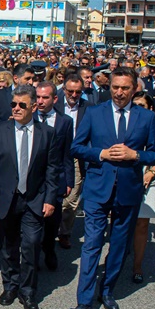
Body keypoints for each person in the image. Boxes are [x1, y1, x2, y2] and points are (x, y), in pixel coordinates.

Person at [68, 67, 155, 309]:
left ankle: (107, 290)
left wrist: (136, 155)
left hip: (129, 190)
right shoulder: (95, 113)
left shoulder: (146, 118)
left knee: (119, 245)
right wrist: (101, 153)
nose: (119, 93)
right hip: (98, 188)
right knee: (92, 244)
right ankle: (84, 301)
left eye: (125, 88)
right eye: (115, 87)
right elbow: (76, 147)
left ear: (135, 89)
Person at [0, 84, 61, 309]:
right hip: (6, 199)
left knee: (31, 245)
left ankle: (27, 291)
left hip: (34, 199)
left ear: (34, 107)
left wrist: (50, 199)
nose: (16, 108)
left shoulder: (47, 134)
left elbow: (52, 169)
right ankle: (10, 285)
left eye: (21, 105)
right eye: (13, 104)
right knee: (8, 246)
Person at [35, 81, 74, 271]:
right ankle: (32, 256)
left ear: (55, 99)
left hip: (55, 179)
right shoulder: (28, 117)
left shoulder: (65, 121)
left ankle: (49, 248)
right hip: (32, 180)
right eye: (38, 97)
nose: (40, 101)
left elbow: (67, 154)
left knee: (52, 221)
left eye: (45, 97)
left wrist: (68, 180)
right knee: (33, 222)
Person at [130, 91, 155, 283]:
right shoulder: (125, 123)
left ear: (150, 109)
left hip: (149, 178)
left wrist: (151, 173)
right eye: (134, 105)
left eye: (142, 106)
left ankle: (137, 265)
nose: (137, 109)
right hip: (128, 178)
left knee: (142, 223)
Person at [55, 74, 89, 249]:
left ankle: (64, 232)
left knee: (71, 198)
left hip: (76, 156)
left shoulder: (88, 108)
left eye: (78, 92)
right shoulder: (55, 104)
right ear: (63, 90)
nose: (74, 95)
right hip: (55, 153)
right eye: (70, 91)